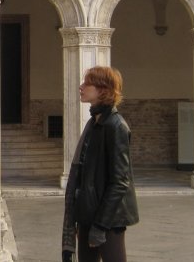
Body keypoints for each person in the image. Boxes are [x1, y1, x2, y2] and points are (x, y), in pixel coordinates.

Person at [62, 66, 139, 262]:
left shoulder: (116, 126)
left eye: (87, 83)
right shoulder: (94, 123)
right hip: (89, 213)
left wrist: (100, 225)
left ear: (103, 89)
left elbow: (120, 181)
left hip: (108, 219)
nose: (81, 87)